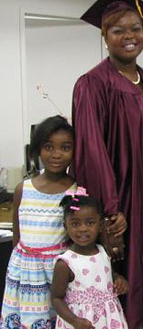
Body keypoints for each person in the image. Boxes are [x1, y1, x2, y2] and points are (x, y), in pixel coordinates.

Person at [71, 0, 143, 327]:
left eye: (136, 28)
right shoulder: (93, 85)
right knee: (122, 283)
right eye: (117, 30)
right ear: (104, 35)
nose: (129, 36)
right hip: (123, 205)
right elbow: (91, 153)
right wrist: (110, 213)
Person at [0, 115, 76, 329]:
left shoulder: (76, 190)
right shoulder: (23, 189)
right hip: (24, 275)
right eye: (49, 147)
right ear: (38, 149)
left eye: (65, 147)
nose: (56, 154)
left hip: (57, 275)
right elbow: (17, 236)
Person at [51, 191, 129, 329]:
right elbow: (56, 299)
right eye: (75, 224)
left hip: (108, 320)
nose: (82, 229)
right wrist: (75, 321)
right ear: (65, 226)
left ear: (100, 226)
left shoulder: (104, 252)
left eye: (89, 223)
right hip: (80, 323)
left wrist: (119, 280)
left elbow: (109, 277)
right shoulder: (65, 263)